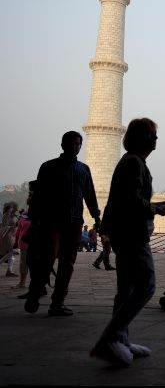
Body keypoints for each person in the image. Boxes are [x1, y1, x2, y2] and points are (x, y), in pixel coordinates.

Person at [90, 118, 165, 367]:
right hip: (130, 232)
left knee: (125, 288)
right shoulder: (133, 163)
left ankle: (121, 340)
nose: (156, 139)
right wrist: (155, 208)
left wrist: (154, 206)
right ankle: (110, 338)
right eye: (152, 135)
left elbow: (130, 197)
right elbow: (131, 200)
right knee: (147, 284)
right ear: (141, 138)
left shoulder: (134, 162)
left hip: (124, 230)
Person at [24, 131, 101, 316]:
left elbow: (89, 195)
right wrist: (34, 221)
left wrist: (96, 217)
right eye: (71, 143)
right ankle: (35, 292)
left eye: (78, 144)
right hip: (52, 221)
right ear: (62, 145)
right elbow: (38, 196)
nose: (75, 147)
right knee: (47, 258)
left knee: (67, 263)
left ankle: (57, 303)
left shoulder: (83, 169)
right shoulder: (49, 167)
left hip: (74, 222)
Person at [1, 202, 20, 276]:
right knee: (13, 251)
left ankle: (9, 270)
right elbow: (4, 225)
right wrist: (13, 226)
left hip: (12, 235)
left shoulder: (13, 215)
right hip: (8, 235)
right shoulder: (6, 215)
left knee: (12, 253)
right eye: (11, 208)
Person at [15, 206, 32, 288]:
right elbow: (18, 231)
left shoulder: (40, 216)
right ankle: (22, 282)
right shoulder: (23, 217)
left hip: (35, 243)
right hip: (24, 243)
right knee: (24, 263)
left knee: (34, 264)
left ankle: (34, 283)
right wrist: (15, 242)